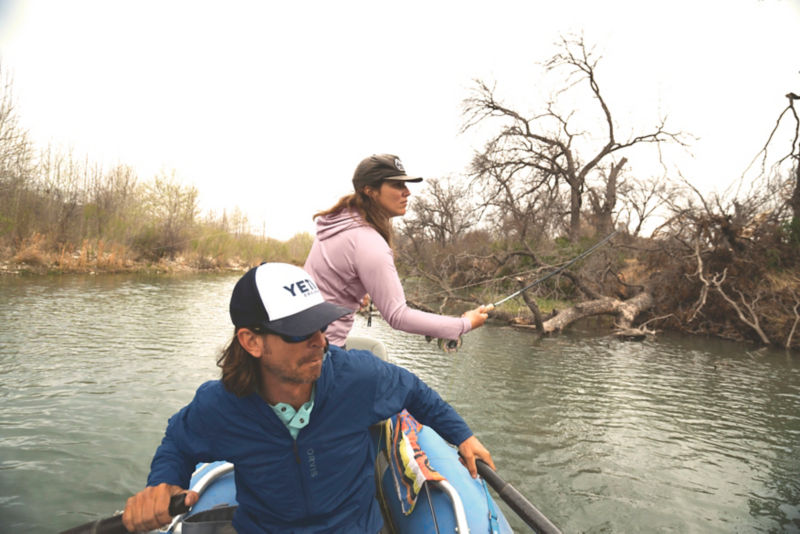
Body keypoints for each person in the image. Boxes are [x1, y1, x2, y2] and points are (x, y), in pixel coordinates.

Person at [122, 262, 495, 533]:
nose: (319, 341)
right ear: (251, 342)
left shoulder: (360, 378)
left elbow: (414, 391)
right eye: (298, 332)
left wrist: (462, 435)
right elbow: (179, 440)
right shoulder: (220, 406)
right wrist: (164, 482)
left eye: (320, 325)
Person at [304, 153, 493, 348]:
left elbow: (329, 278)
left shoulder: (336, 223)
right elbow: (398, 316)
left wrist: (356, 290)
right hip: (323, 352)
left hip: (303, 342)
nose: (407, 192)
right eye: (397, 185)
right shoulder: (368, 242)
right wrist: (464, 324)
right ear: (370, 190)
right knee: (406, 381)